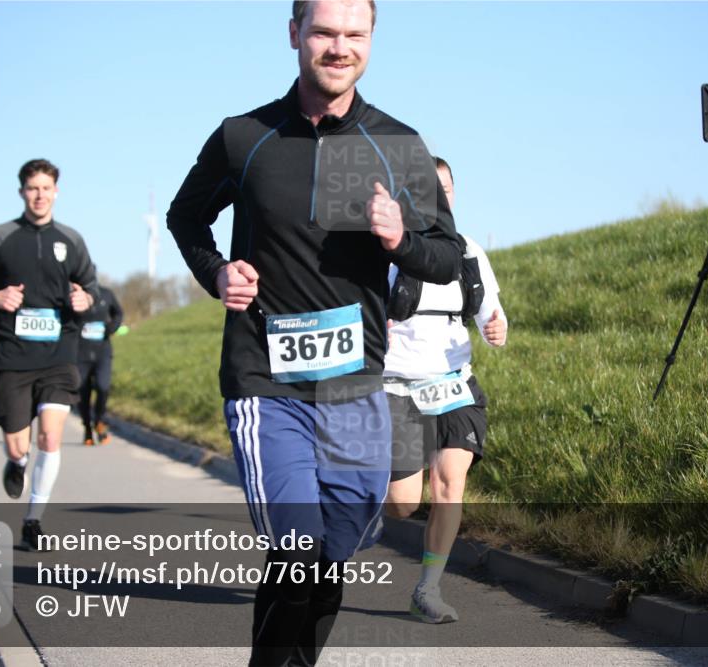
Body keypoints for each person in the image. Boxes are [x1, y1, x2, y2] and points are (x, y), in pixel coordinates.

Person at [168, 1, 461, 663]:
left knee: (331, 554)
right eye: (325, 31)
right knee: (296, 544)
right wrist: (218, 273)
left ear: (371, 41)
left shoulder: (399, 145)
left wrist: (400, 238)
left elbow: (446, 253)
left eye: (354, 34)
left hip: (356, 389)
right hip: (266, 380)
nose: (339, 47)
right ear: (295, 33)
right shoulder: (244, 138)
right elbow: (185, 217)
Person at [383, 157, 507, 623]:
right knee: (402, 504)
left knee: (450, 484)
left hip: (453, 382)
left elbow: (490, 312)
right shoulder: (386, 252)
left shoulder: (470, 251)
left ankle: (428, 588)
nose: (440, 199)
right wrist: (374, 327)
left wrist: (497, 328)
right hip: (396, 385)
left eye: (446, 190)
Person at [0, 158, 98, 550]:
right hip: (12, 356)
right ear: (22, 191)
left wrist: (84, 297)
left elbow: (92, 289)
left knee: (51, 438)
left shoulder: (71, 239)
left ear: (57, 191)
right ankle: (18, 462)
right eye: (32, 188)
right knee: (18, 444)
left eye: (46, 188)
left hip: (58, 353)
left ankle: (33, 519)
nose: (40, 195)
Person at [76, 284, 123, 446]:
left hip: (102, 351)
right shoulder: (75, 295)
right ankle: (87, 428)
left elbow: (118, 313)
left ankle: (100, 421)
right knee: (83, 392)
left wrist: (111, 328)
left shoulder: (106, 294)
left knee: (103, 386)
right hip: (80, 352)